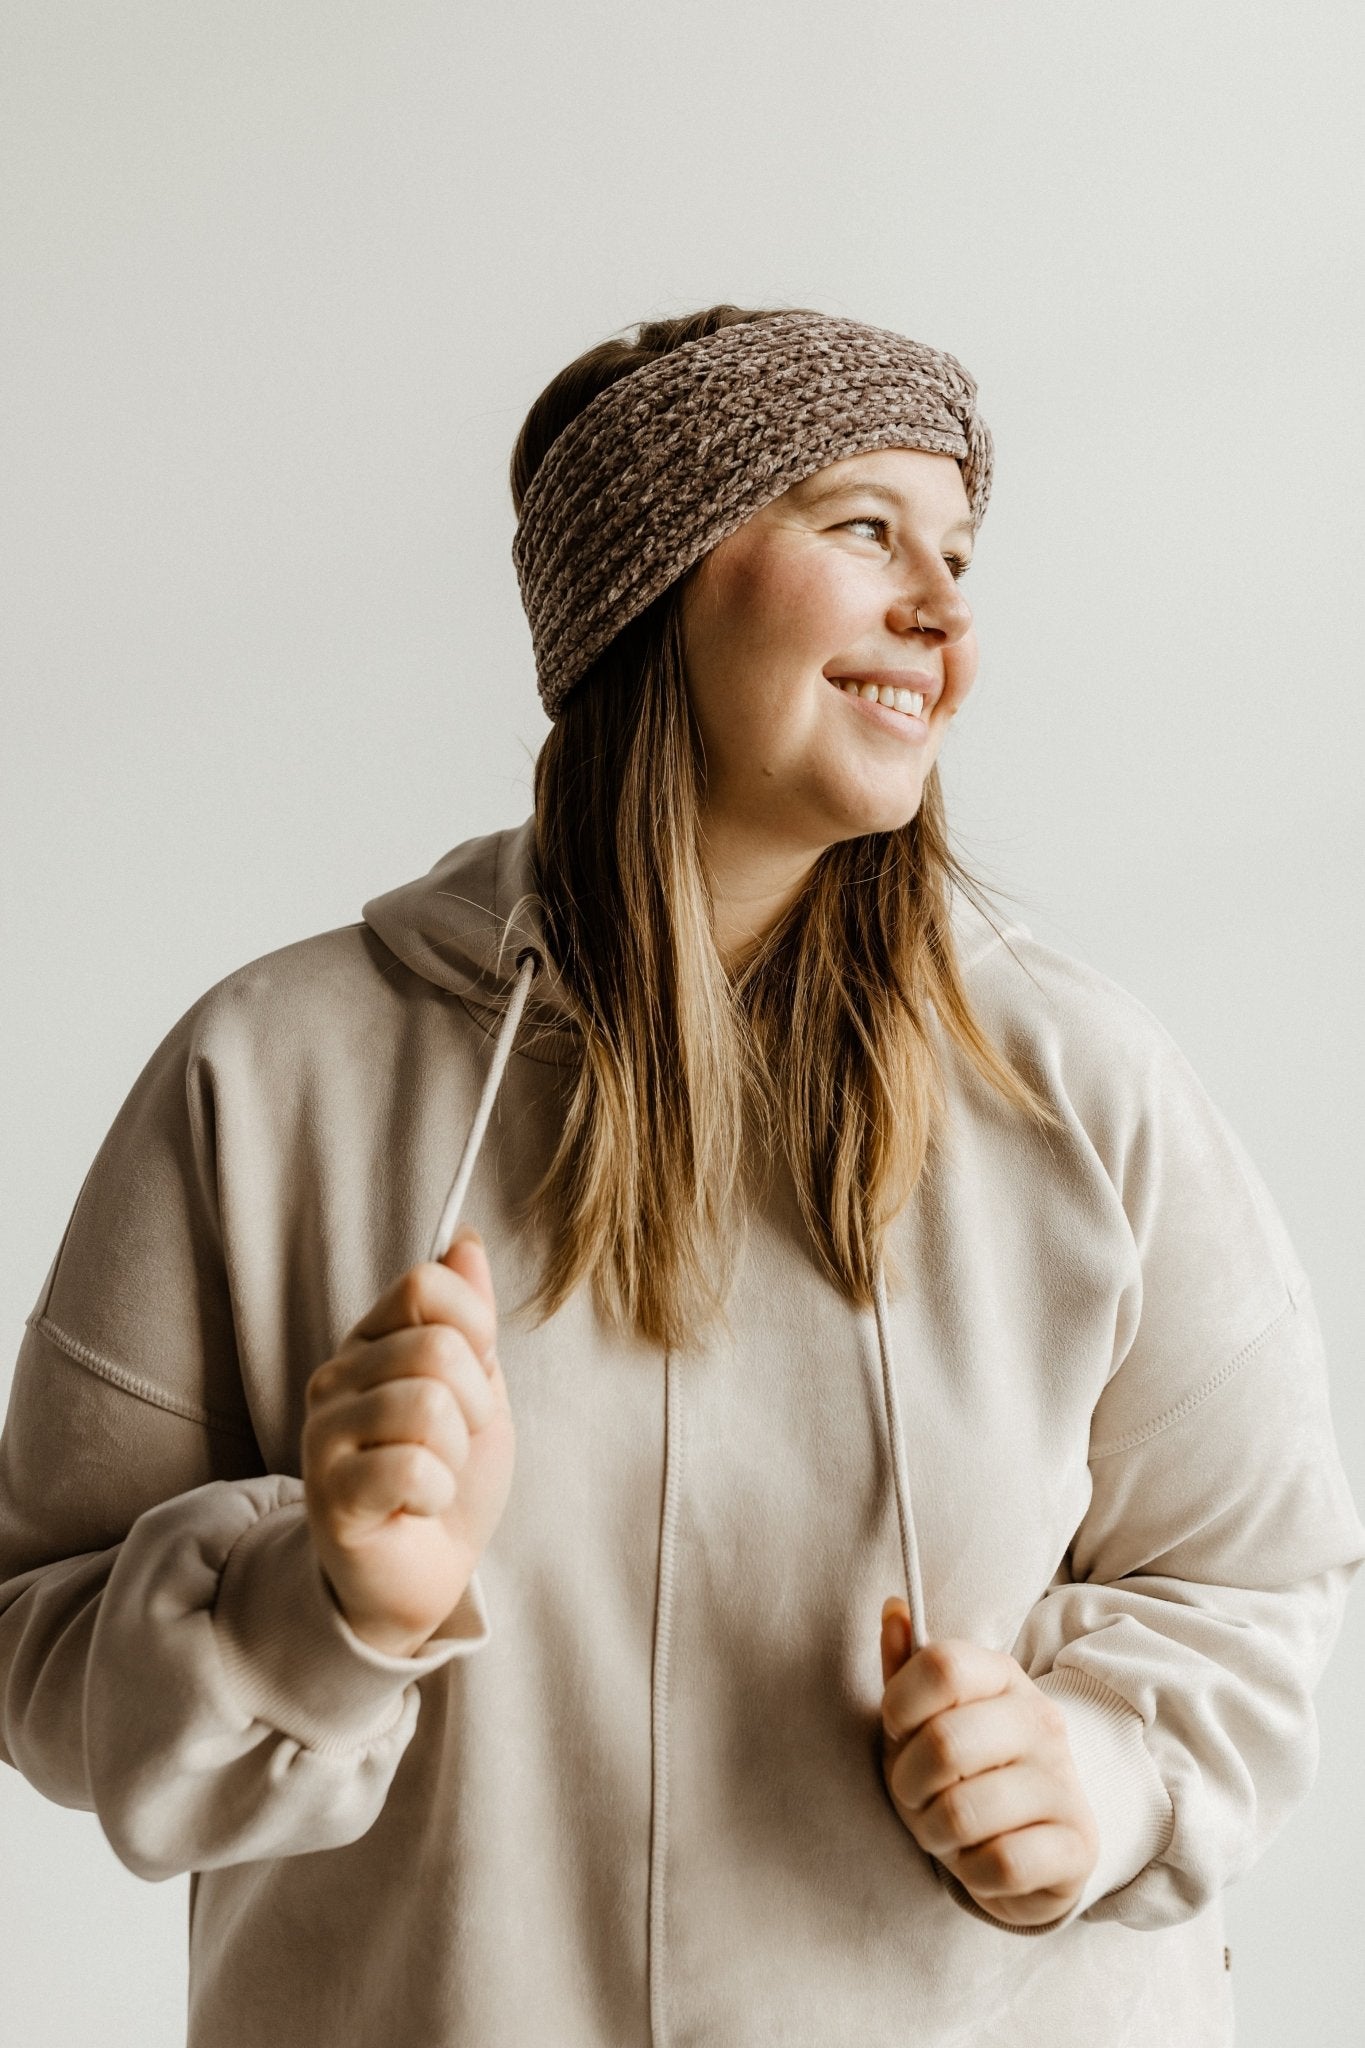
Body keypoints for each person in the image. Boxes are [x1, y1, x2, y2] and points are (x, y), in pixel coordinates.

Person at [1, 303, 1362, 2048]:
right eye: (864, 529)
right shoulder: (261, 1079)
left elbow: (1255, 1584)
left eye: (957, 552)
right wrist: (322, 1607)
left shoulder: (1079, 1088)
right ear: (649, 579)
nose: (942, 611)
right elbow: (41, 1637)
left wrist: (1094, 1770)